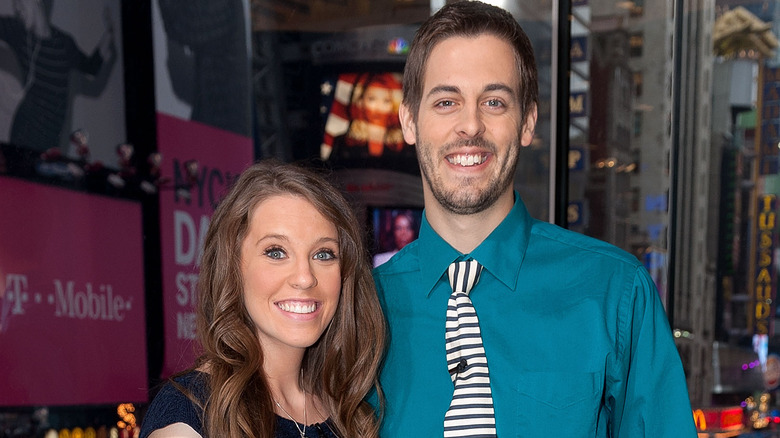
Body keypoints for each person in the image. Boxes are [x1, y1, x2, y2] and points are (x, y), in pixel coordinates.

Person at [372, 1, 697, 436]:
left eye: (494, 101)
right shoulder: (362, 307)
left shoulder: (616, 293)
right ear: (409, 121)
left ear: (527, 122)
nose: (470, 125)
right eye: (446, 101)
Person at [140, 160, 385, 438]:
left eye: (323, 254)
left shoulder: (349, 412)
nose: (305, 278)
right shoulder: (193, 415)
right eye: (276, 252)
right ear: (232, 267)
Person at [0, 0, 115, 153]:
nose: (17, 9)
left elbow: (91, 67)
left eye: (20, 3)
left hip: (52, 136)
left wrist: (109, 33)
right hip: (25, 133)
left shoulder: (64, 43)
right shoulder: (19, 33)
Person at [327, 73, 417, 173]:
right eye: (372, 99)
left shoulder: (407, 145)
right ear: (361, 101)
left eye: (386, 101)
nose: (378, 108)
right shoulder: (342, 142)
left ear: (394, 106)